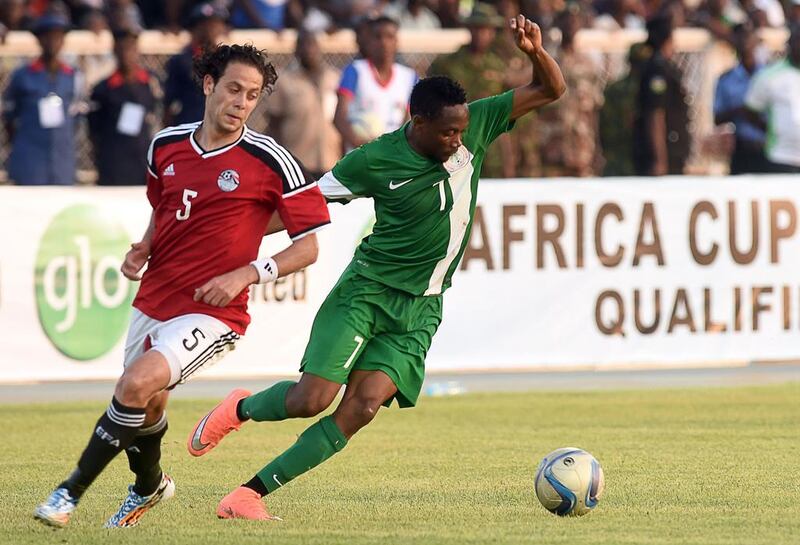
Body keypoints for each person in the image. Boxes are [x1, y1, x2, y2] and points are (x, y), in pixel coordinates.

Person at [187, 14, 566, 521]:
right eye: (449, 133)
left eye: (462, 131)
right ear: (419, 123)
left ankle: (248, 495)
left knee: (360, 410)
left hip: (423, 308)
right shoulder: (374, 161)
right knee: (310, 399)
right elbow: (305, 206)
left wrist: (534, 51)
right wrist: (233, 241)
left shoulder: (477, 122)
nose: (459, 141)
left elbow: (551, 88)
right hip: (366, 293)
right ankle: (240, 408)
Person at [33, 43, 330, 529]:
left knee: (135, 383)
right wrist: (144, 247)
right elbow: (166, 208)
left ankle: (68, 493)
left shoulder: (270, 159)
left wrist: (247, 273)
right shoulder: (165, 145)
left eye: (252, 95)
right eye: (234, 88)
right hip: (155, 296)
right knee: (145, 404)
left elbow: (308, 247)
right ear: (209, 84)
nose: (241, 102)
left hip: (215, 311)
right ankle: (149, 486)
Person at [427, 3, 510, 178]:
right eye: (477, 28)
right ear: (469, 29)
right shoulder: (448, 64)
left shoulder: (500, 65)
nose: (482, 34)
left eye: (487, 29)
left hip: (492, 146)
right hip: (458, 145)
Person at [2, 12, 81, 185]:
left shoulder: (73, 76)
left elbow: (77, 117)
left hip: (62, 163)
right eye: (47, 36)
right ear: (39, 40)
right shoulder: (22, 75)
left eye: (57, 36)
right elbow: (9, 117)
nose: (52, 42)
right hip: (30, 161)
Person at [333, 15, 418, 151]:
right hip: (359, 156)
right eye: (378, 37)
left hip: (392, 157)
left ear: (396, 41)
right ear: (369, 41)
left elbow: (410, 121)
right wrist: (362, 145)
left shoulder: (409, 77)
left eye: (389, 37)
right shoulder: (355, 70)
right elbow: (339, 118)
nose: (384, 42)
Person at [537, 6, 604, 177]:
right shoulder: (547, 62)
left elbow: (593, 110)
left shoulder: (588, 65)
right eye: (566, 20)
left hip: (582, 149)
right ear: (558, 23)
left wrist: (597, 150)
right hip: (552, 149)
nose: (570, 25)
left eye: (575, 20)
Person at [88, 25, 159, 185]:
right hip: (113, 163)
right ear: (115, 50)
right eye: (121, 48)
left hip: (142, 161)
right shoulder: (103, 89)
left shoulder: (150, 83)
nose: (126, 53)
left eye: (130, 47)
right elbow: (93, 130)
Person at [265, 31, 341, 179]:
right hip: (298, 163)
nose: (308, 49)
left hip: (332, 162)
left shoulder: (334, 78)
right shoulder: (284, 81)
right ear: (296, 50)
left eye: (312, 44)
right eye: (303, 45)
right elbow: (274, 124)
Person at [633, 15, 691, 176]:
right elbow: (655, 115)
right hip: (666, 152)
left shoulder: (664, 68)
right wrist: (660, 160)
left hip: (674, 150)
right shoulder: (657, 71)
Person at [745, 24, 800, 173]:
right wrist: (771, 130)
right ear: (790, 43)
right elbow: (751, 111)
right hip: (781, 156)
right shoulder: (769, 76)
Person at [713, 24, 768, 174]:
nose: (745, 41)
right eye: (740, 37)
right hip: (742, 148)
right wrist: (741, 110)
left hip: (768, 147)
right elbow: (717, 117)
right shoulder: (726, 79)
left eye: (748, 36)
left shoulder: (768, 76)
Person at [162, 2, 228, 127]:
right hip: (188, 125)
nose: (212, 28)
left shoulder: (225, 59)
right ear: (196, 27)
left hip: (218, 126)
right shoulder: (180, 60)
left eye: (216, 23)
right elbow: (169, 102)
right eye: (207, 24)